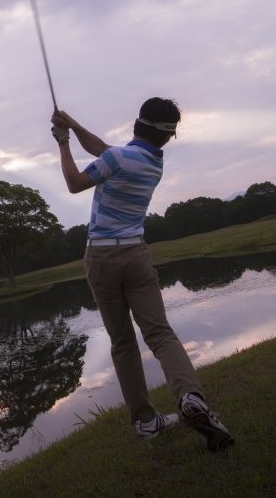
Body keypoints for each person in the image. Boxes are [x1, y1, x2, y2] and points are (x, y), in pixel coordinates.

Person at [51, 98, 234, 451]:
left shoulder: (118, 158)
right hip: (136, 254)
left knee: (122, 342)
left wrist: (62, 143)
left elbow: (74, 182)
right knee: (160, 334)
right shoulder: (151, 161)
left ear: (138, 124)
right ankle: (191, 398)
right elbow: (103, 149)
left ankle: (146, 422)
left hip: (101, 258)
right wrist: (72, 125)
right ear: (165, 136)